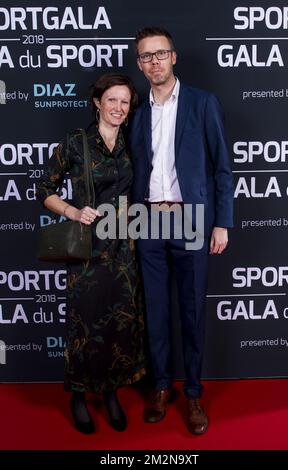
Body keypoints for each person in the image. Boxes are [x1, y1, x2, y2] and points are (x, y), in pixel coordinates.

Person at [130, 27, 234, 435]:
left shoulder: (203, 103)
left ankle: (192, 391)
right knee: (155, 311)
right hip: (147, 220)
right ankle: (159, 387)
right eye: (146, 56)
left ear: (173, 57)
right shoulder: (136, 111)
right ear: (139, 64)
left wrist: (222, 222)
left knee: (191, 311)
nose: (154, 62)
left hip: (192, 217)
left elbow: (222, 168)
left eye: (160, 54)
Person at [36, 73, 146, 434]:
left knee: (119, 325)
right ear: (98, 102)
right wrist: (71, 211)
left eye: (124, 102)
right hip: (87, 250)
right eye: (111, 100)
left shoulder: (132, 142)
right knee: (85, 325)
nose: (118, 108)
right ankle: (80, 395)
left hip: (124, 249)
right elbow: (44, 188)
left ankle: (111, 391)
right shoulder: (76, 141)